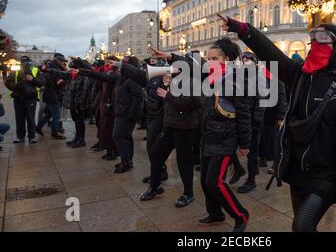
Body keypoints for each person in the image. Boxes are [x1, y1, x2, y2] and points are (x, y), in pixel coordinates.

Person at [217, 13, 336, 232]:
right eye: (313, 40)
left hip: (327, 171)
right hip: (297, 168)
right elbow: (271, 54)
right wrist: (243, 30)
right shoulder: (301, 75)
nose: (315, 44)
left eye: (323, 39)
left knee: (301, 226)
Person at [150, 38, 252, 232]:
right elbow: (192, 65)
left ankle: (241, 215)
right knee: (206, 181)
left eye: (214, 58)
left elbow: (245, 115)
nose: (210, 61)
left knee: (215, 181)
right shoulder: (209, 76)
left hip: (224, 138)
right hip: (207, 136)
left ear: (226, 59)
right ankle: (216, 214)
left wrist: (244, 143)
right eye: (208, 57)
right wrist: (171, 57)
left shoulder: (236, 80)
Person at [139, 71, 202, 208]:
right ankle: (154, 187)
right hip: (171, 125)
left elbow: (191, 102)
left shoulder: (193, 82)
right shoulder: (175, 80)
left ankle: (188, 193)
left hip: (185, 127)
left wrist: (168, 95)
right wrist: (168, 86)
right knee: (156, 154)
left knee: (183, 161)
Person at [79, 56, 144, 173]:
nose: (119, 67)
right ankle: (127, 160)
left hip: (126, 114)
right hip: (120, 111)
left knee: (118, 136)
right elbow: (102, 76)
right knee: (126, 136)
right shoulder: (121, 78)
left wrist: (132, 115)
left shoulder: (133, 79)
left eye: (123, 65)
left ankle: (126, 161)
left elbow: (138, 99)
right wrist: (86, 71)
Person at [236, 52, 266, 194]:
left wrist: (256, 120)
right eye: (244, 60)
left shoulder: (259, 77)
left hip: (253, 120)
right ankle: (238, 169)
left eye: (248, 60)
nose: (245, 62)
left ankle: (251, 179)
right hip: (242, 118)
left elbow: (262, 100)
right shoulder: (241, 76)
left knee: (252, 152)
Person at [46, 57, 90, 148]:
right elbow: (61, 73)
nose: (71, 69)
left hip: (78, 104)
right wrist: (48, 70)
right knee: (76, 121)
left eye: (73, 67)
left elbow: (82, 93)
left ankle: (81, 140)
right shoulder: (73, 74)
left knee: (79, 122)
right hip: (73, 102)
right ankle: (77, 138)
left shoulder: (82, 77)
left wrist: (78, 105)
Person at [5, 56, 45, 144]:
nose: (23, 63)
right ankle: (20, 137)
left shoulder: (35, 70)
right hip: (18, 98)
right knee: (19, 118)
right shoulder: (16, 70)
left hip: (30, 98)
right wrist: (16, 87)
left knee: (30, 118)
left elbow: (42, 83)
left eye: (25, 62)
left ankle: (32, 137)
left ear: (29, 62)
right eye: (22, 62)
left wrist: (32, 79)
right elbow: (7, 82)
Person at [36, 53, 68, 140]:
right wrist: (64, 82)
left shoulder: (51, 67)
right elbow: (57, 82)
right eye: (62, 61)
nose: (63, 63)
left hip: (51, 94)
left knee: (49, 115)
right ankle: (55, 132)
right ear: (58, 61)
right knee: (56, 115)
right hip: (52, 94)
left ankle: (38, 127)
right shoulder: (52, 69)